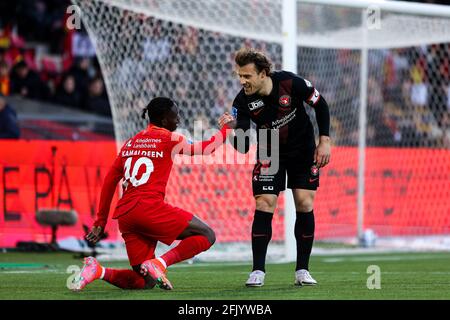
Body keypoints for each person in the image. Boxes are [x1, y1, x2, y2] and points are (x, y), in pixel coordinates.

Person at [72, 97, 234, 291]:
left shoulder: (131, 143)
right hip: (149, 208)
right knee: (207, 235)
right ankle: (160, 264)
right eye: (176, 116)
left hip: (126, 215)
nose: (179, 120)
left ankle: (97, 271)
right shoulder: (169, 138)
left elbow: (109, 181)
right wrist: (227, 128)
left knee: (144, 281)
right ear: (165, 120)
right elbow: (205, 148)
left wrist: (100, 222)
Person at [228, 48, 331, 287]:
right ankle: (257, 271)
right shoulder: (242, 101)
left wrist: (324, 140)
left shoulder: (291, 83)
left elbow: (321, 104)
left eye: (247, 76)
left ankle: (302, 270)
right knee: (264, 202)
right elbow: (243, 146)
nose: (242, 81)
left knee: (304, 202)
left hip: (302, 149)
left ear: (263, 74)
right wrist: (233, 129)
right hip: (269, 150)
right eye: (239, 76)